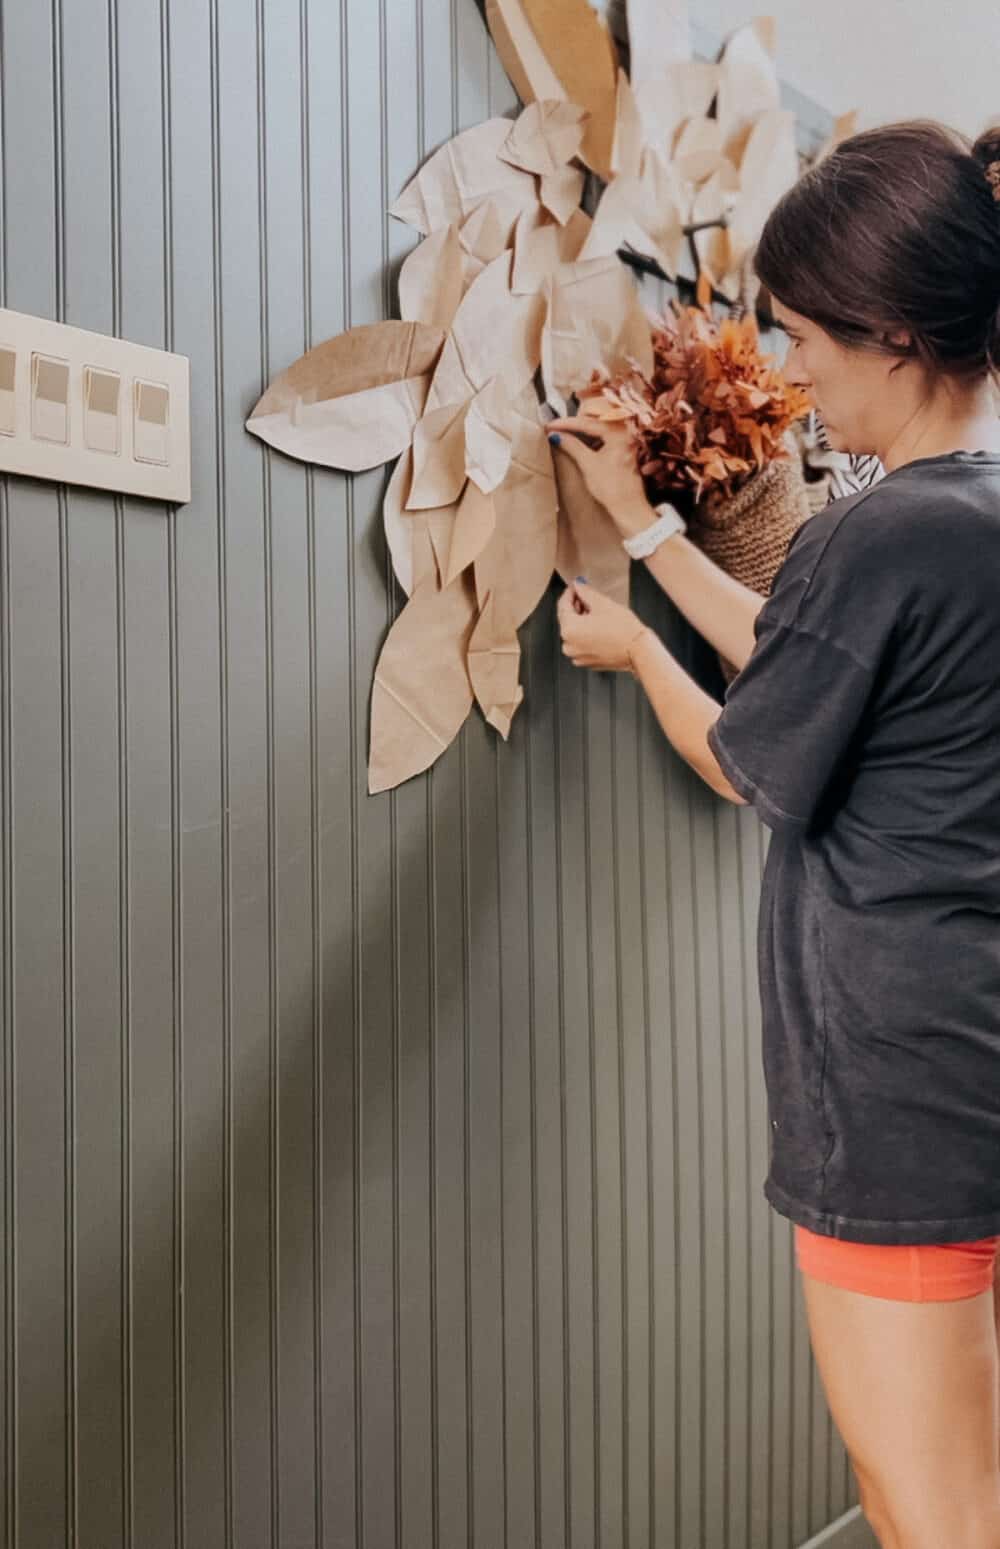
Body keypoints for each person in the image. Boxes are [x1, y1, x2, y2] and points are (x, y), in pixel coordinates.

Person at [547, 120, 1000, 1549]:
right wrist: (650, 543)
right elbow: (812, 660)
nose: (794, 374)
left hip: (897, 1099)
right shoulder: (964, 525)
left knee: (925, 1507)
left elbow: (752, 758)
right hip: (970, 1065)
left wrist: (636, 653)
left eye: (803, 338)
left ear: (891, 334)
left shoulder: (883, 539)